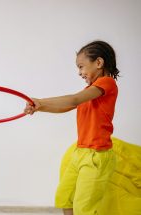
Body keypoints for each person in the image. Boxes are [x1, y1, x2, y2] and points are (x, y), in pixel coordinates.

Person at [24, 40, 120, 215]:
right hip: (80, 152)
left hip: (96, 156)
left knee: (84, 208)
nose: (79, 72)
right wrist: (40, 107)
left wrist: (41, 101)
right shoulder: (90, 91)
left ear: (99, 63)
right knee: (65, 197)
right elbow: (65, 107)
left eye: (81, 66)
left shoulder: (107, 84)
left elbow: (73, 100)